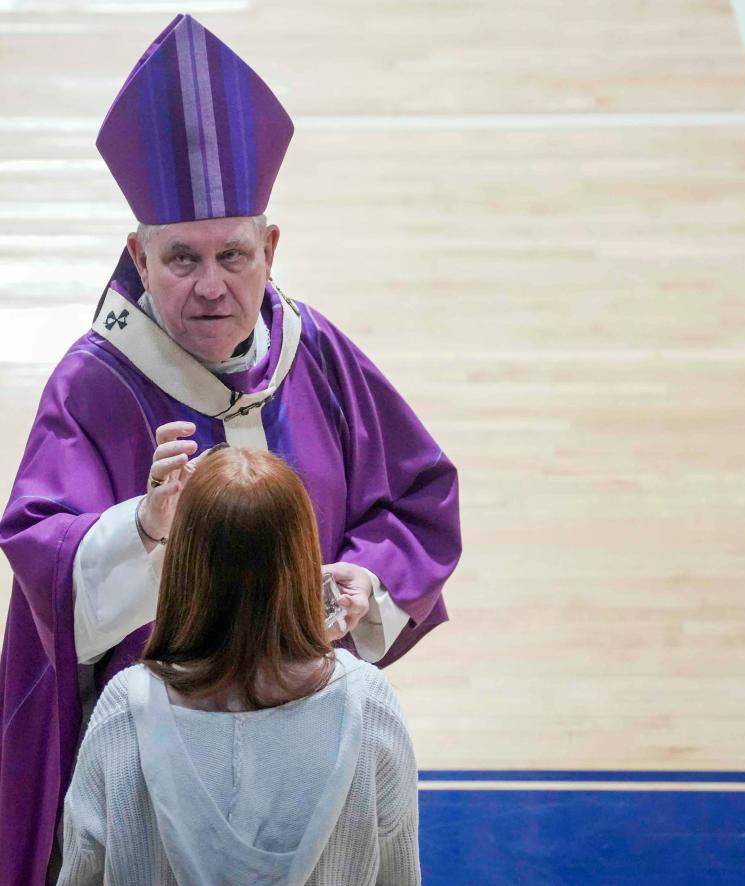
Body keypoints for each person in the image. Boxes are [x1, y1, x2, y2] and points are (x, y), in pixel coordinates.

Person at [0, 14, 459, 885]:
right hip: (158, 752)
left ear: (270, 248)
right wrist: (140, 526)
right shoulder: (98, 384)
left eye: (233, 255)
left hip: (307, 726)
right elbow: (39, 553)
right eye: (180, 259)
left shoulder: (313, 354)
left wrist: (366, 579)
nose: (210, 285)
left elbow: (416, 499)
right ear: (138, 255)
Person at [58, 447, 421, 885]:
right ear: (301, 562)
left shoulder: (125, 708)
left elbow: (82, 869)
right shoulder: (368, 702)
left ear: (183, 566)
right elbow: (399, 874)